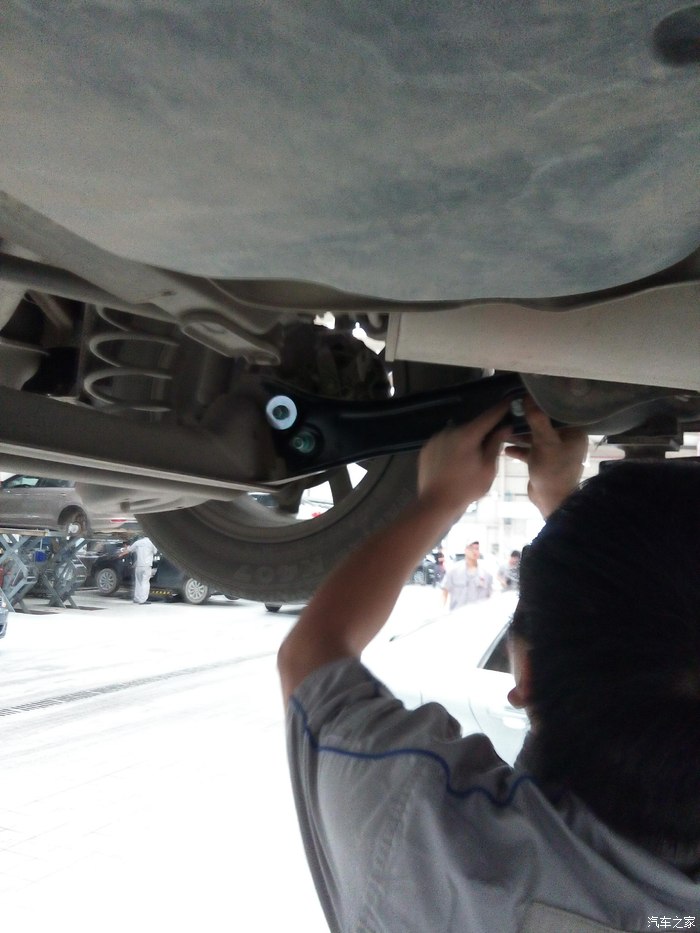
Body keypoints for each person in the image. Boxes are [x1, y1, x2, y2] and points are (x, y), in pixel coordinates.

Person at [277, 399, 700, 932]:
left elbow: (313, 654)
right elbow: (312, 655)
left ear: (525, 678)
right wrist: (461, 503)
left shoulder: (425, 838)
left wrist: (443, 498)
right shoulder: (437, 849)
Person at [441, 538, 493, 609]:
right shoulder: (453, 571)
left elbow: (490, 597)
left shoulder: (486, 574)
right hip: (457, 614)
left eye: (477, 548)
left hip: (478, 614)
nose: (474, 551)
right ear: (465, 550)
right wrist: (441, 609)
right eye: (471, 548)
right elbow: (444, 592)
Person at [120, 535, 157, 604]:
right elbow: (155, 551)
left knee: (138, 582)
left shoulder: (138, 542)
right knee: (145, 582)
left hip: (138, 565)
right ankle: (142, 600)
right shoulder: (151, 543)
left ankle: (136, 598)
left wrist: (120, 554)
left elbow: (129, 550)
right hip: (146, 566)